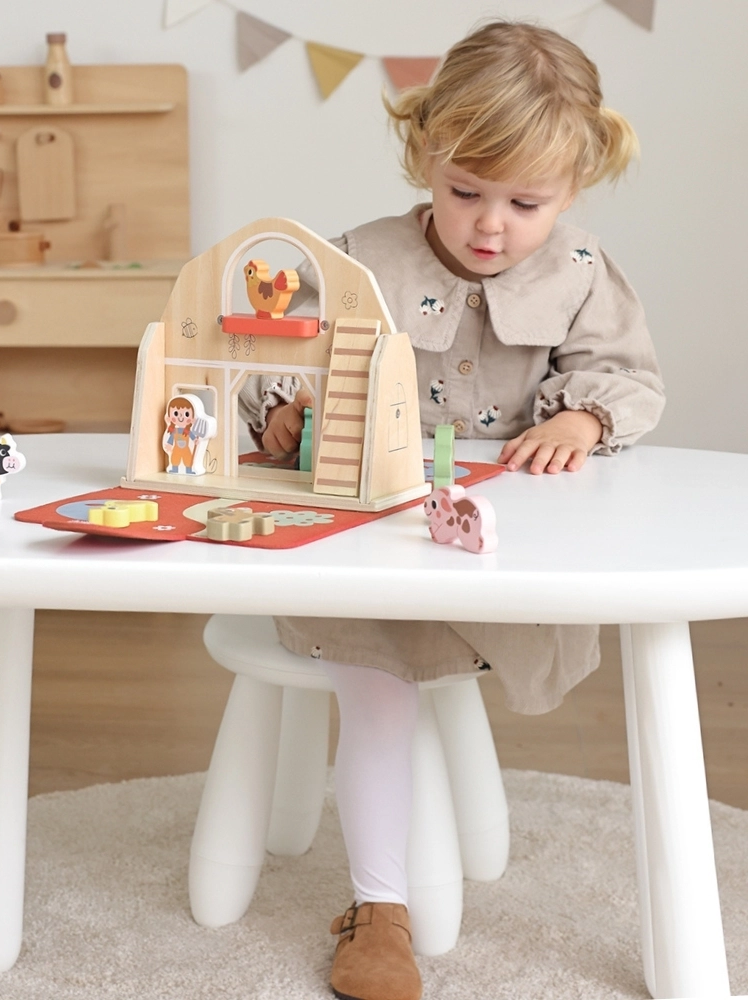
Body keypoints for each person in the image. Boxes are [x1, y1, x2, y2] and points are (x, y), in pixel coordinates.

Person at [238, 19, 664, 1000]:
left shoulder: (580, 272)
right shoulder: (359, 261)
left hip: (498, 558)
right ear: (426, 153)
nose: (489, 226)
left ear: (573, 186)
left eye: (526, 203)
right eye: (465, 190)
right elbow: (270, 361)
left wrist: (586, 418)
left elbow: (629, 377)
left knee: (508, 649)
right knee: (375, 682)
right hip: (368, 549)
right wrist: (284, 412)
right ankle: (378, 907)